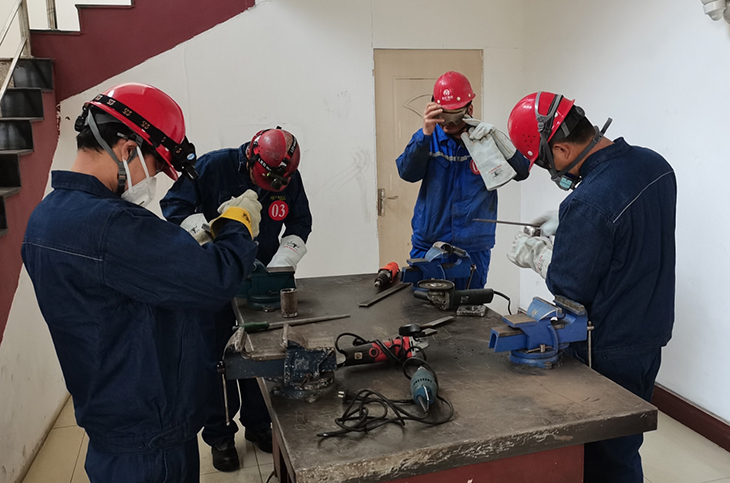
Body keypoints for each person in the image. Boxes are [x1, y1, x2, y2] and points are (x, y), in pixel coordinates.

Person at [21, 83, 262, 483]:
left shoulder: (45, 219)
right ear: (128, 149)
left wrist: (197, 242)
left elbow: (124, 282)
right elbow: (215, 280)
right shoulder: (112, 224)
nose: (154, 180)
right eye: (155, 167)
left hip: (111, 424)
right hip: (152, 443)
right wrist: (239, 225)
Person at [506, 91, 676, 482]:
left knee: (604, 459)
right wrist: (572, 226)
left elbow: (570, 288)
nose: (552, 171)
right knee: (624, 443)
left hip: (608, 349)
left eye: (546, 163)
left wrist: (539, 255)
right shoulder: (655, 165)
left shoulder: (588, 202)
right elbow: (630, 235)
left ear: (561, 149)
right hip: (649, 333)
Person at [160, 127, 312, 471]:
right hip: (213, 278)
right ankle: (220, 435)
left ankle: (258, 424)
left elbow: (300, 222)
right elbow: (173, 205)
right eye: (264, 180)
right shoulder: (213, 166)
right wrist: (207, 235)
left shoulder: (289, 178)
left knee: (259, 354)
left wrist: (281, 263)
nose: (269, 188)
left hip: (260, 282)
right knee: (215, 359)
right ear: (250, 159)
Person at [396, 71, 531, 289]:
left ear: (470, 109)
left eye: (454, 115)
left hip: (473, 246)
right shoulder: (427, 140)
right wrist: (425, 134)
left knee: (468, 306)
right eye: (443, 115)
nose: (447, 124)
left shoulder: (485, 140)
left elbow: (522, 172)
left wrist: (499, 142)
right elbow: (407, 173)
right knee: (423, 306)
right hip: (430, 243)